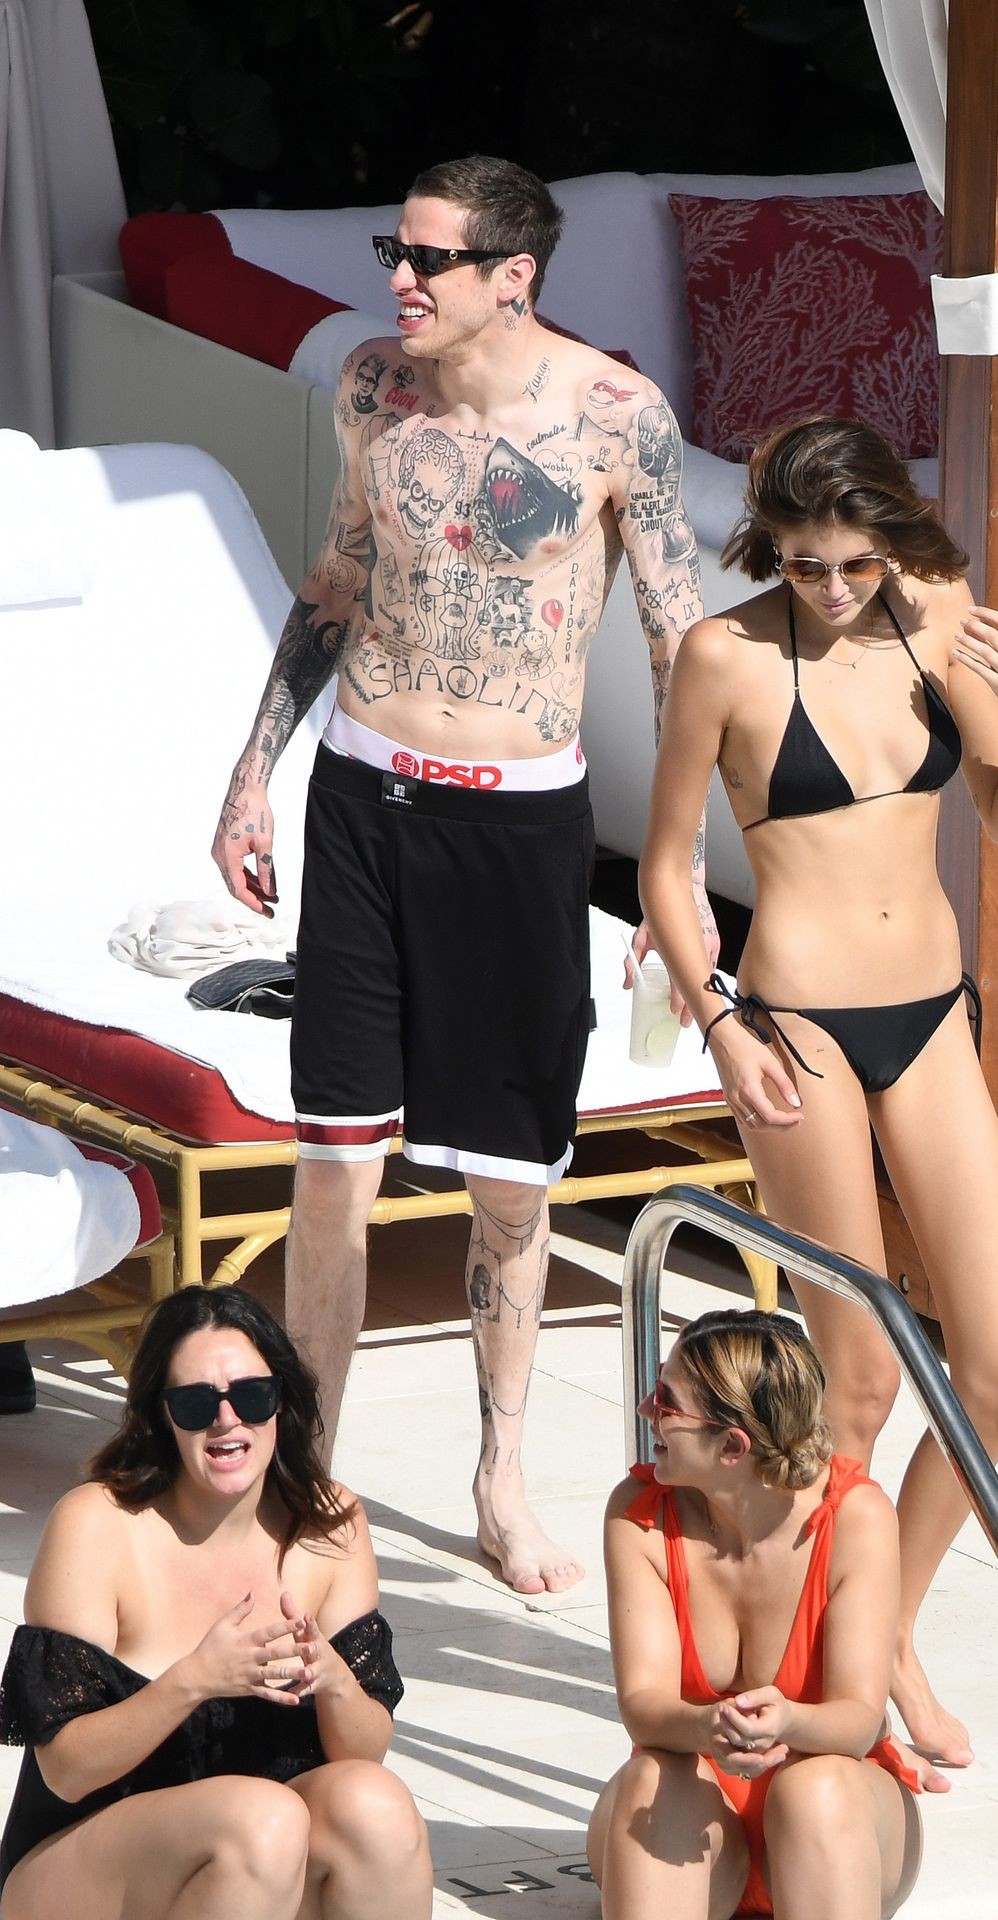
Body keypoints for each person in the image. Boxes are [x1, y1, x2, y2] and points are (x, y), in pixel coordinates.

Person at [210, 155, 714, 1597]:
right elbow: (337, 580)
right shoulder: (375, 387)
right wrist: (252, 773)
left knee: (510, 1186)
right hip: (363, 802)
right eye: (397, 249)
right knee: (332, 1166)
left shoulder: (618, 415)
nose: (399, 281)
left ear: (514, 275)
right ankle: (307, 1480)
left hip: (517, 831)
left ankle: (500, 1475)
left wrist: (674, 869)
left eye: (428, 259)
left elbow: (680, 643)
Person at [637, 416, 998, 1770]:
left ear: (892, 540)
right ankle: (845, 1672)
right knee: (862, 1379)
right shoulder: (725, 654)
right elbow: (664, 868)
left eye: (854, 564)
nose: (829, 589)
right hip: (798, 1026)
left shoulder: (936, 612)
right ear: (771, 546)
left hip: (931, 1014)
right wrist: (720, 1026)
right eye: (804, 564)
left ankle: (888, 1628)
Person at [0, 1287, 431, 1920]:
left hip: (258, 1864)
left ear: (281, 1401)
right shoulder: (98, 1526)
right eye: (196, 1403)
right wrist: (193, 1681)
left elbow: (364, 1755)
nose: (227, 1420)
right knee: (263, 1818)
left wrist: (336, 1681)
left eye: (252, 1396)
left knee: (378, 1807)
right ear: (161, 1416)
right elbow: (66, 1770)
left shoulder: (330, 1525)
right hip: (81, 1870)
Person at [589, 1308, 923, 1920]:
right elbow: (642, 1707)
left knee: (814, 1788)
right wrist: (709, 1727)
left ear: (732, 1446)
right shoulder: (638, 1516)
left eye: (667, 1403)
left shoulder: (855, 1519)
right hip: (699, 1828)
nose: (646, 1410)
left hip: (834, 1818)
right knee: (652, 1783)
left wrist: (789, 1720)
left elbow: (856, 1721)